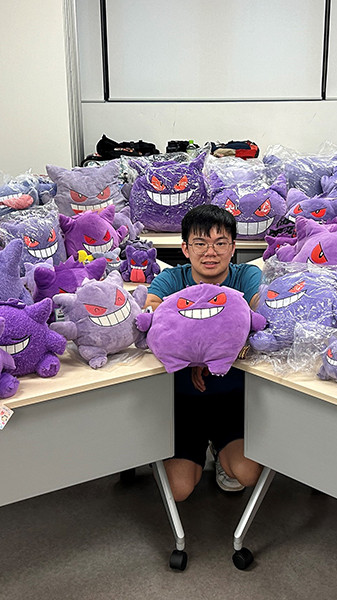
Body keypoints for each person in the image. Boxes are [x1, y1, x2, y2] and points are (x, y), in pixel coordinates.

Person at [145, 204, 263, 501]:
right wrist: (194, 355)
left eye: (220, 243)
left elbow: (260, 310)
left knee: (247, 473)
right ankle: (179, 448)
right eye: (200, 243)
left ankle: (221, 451)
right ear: (185, 248)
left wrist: (214, 352)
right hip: (183, 401)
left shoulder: (246, 275)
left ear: (233, 248)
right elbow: (152, 313)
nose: (210, 252)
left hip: (231, 398)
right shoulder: (172, 279)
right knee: (178, 490)